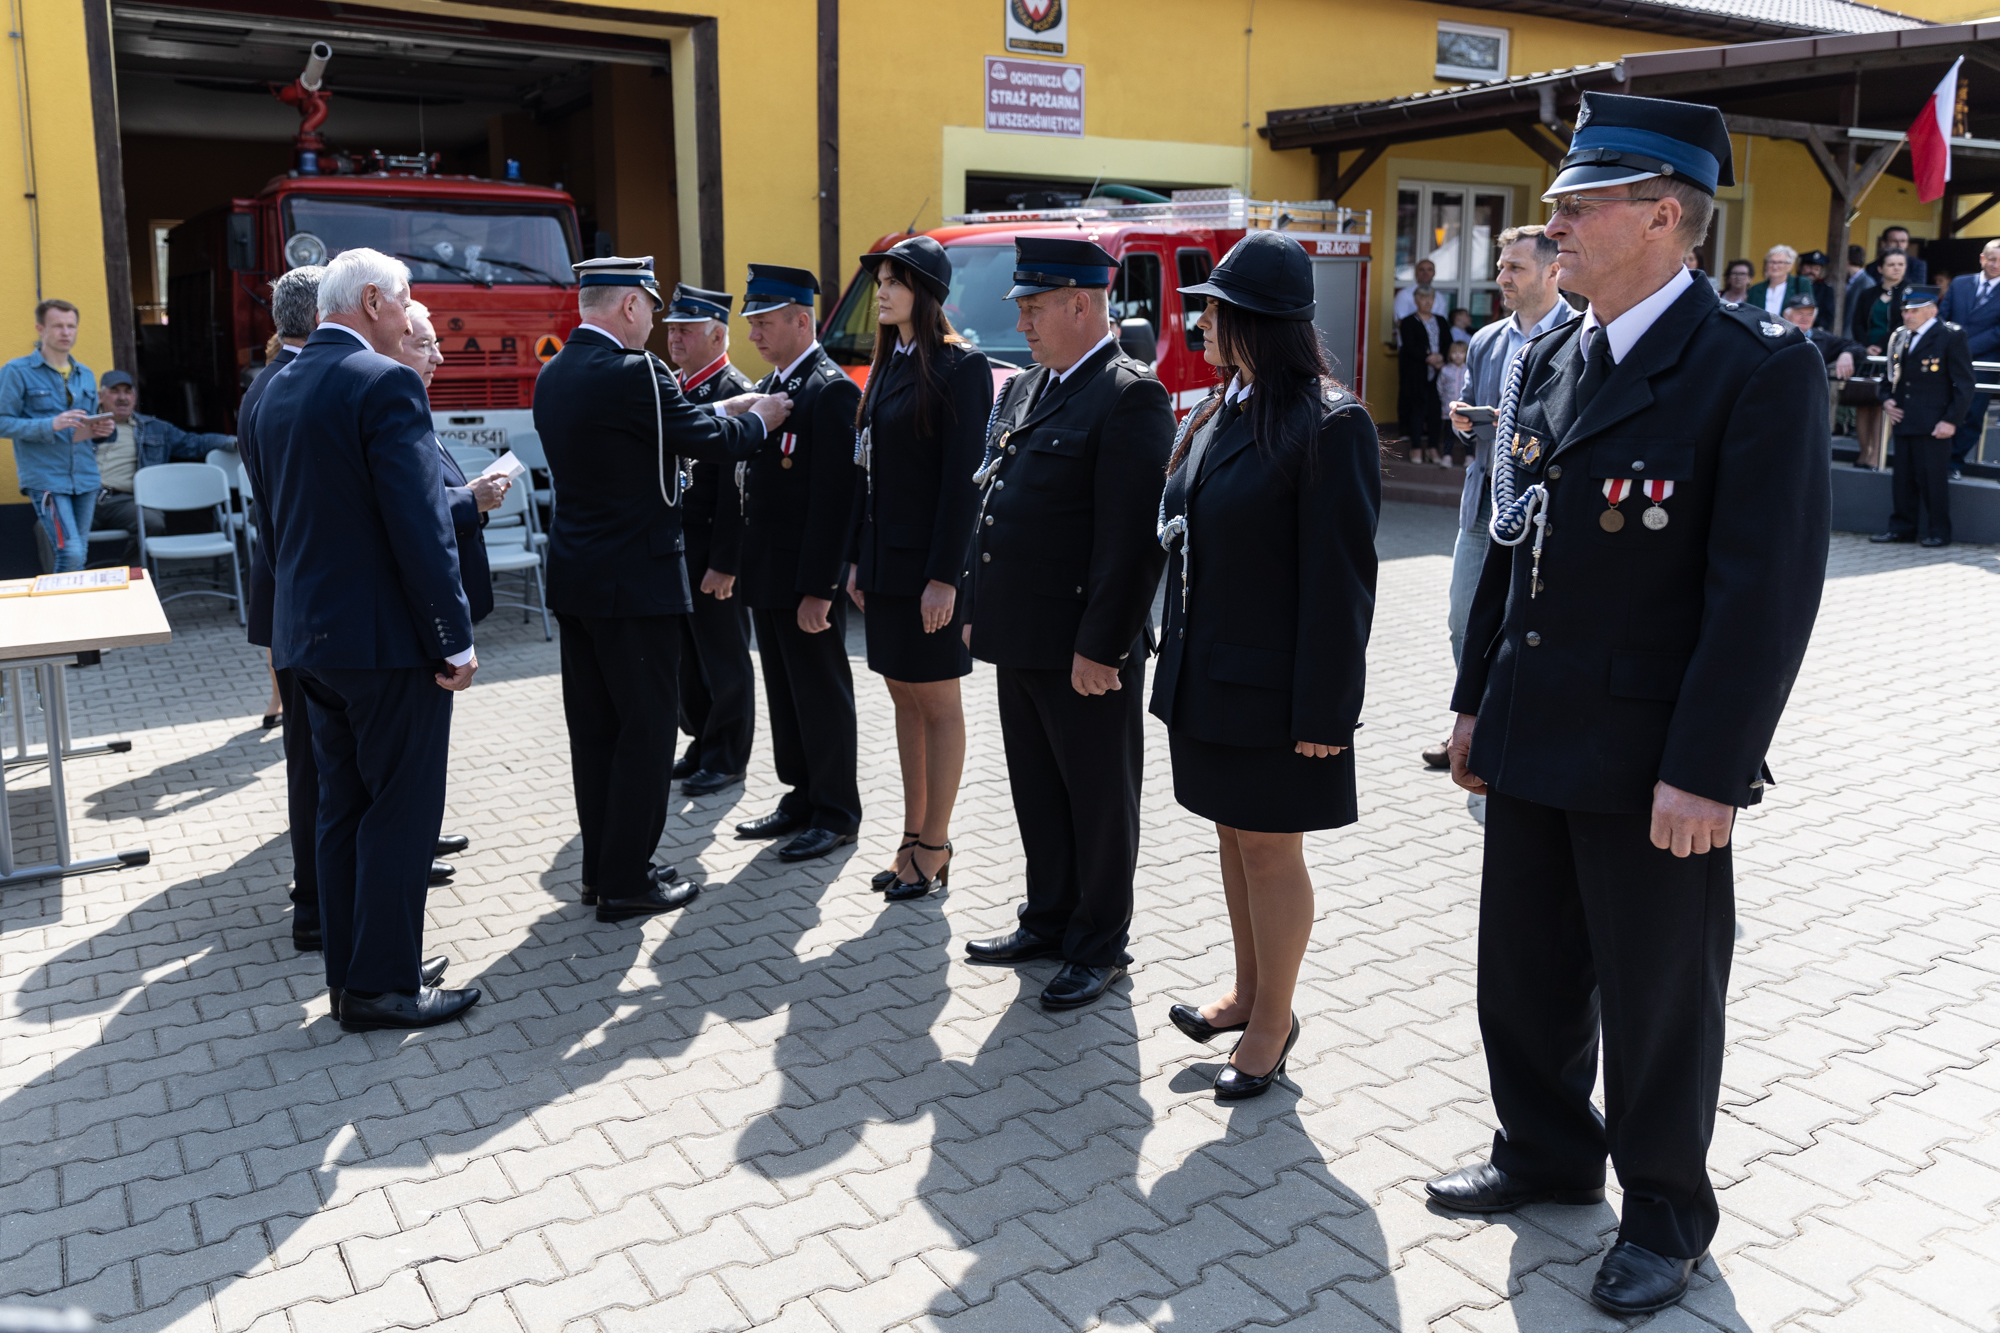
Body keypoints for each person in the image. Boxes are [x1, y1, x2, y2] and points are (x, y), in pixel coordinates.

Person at [1435, 93, 1829, 1318]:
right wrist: (1471, 702)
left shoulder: (1751, 369)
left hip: (1652, 755)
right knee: (1523, 969)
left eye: (1576, 206)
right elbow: (1513, 544)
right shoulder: (1556, 353)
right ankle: (1545, 1149)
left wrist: (1709, 769)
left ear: (1662, 216)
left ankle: (1661, 1212)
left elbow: (1762, 595)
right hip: (1534, 723)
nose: (1551, 226)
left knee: (1658, 998)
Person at [1153, 231, 1380, 1100]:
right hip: (1212, 674)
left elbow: (1342, 582)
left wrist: (1326, 710)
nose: (1201, 324)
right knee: (1232, 833)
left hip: (1278, 689)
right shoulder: (1224, 406)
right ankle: (1249, 992)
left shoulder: (1331, 422)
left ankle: (1274, 1023)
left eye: (1215, 312)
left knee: (1270, 849)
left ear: (1258, 321)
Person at [241, 246, 483, 1034]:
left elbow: (279, 523)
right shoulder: (384, 382)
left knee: (342, 809)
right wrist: (453, 638)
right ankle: (383, 986)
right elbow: (420, 527)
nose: (412, 317)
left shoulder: (275, 386)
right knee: (400, 812)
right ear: (374, 300)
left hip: (308, 639)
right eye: (406, 299)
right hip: (384, 644)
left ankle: (355, 976)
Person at [533, 256, 790, 918]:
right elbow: (704, 437)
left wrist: (728, 405)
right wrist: (762, 417)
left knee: (595, 734)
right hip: (636, 583)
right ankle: (627, 881)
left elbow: (651, 428)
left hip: (576, 580)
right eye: (649, 307)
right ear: (628, 306)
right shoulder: (636, 372)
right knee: (646, 733)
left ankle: (600, 870)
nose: (653, 322)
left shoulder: (556, 371)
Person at [959, 236, 1173, 1011]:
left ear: (1082, 304)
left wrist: (1103, 645)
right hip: (1022, 633)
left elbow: (1132, 540)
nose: (1020, 322)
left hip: (1084, 646)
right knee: (1039, 791)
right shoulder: (1028, 387)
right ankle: (1049, 917)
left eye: (1033, 307)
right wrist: (977, 604)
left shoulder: (1129, 395)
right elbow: (991, 497)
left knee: (1098, 800)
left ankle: (1099, 943)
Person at [844, 236, 992, 901]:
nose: (881, 293)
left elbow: (964, 485)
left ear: (925, 293)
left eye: (893, 282)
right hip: (884, 565)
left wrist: (945, 578)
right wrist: (857, 558)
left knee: (936, 701)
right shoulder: (888, 362)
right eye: (879, 282)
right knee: (903, 696)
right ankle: (911, 836)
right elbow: (866, 470)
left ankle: (936, 842)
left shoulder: (961, 367)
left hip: (928, 572)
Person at [1422, 224, 1576, 774]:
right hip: (1483, 503)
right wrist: (1464, 423)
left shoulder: (1583, 337)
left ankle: (1517, 730)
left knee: (1532, 627)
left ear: (1553, 271)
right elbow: (1470, 419)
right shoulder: (1486, 340)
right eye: (1501, 266)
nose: (1501, 277)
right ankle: (1474, 721)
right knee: (1463, 621)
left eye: (1515, 268)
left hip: (1543, 510)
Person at [731, 264, 866, 863]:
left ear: (801, 320)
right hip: (767, 572)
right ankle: (802, 794)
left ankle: (835, 810)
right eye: (752, 322)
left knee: (819, 692)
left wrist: (820, 588)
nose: (754, 333)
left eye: (765, 322)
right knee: (786, 692)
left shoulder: (829, 390)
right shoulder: (772, 386)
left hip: (803, 579)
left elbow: (837, 502)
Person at [663, 283, 758, 797]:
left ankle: (727, 756)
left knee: (724, 656)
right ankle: (702, 740)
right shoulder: (675, 386)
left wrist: (726, 562)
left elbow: (735, 493)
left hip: (711, 550)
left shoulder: (733, 391)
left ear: (717, 335)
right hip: (678, 548)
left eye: (686, 330)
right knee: (686, 656)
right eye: (671, 329)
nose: (674, 338)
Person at [0, 300, 113, 572]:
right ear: (40, 329)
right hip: (46, 478)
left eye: (71, 326)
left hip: (85, 476)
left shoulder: (85, 374)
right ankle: (60, 601)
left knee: (79, 553)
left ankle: (68, 600)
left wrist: (101, 431)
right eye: (58, 326)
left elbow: (84, 425)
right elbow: (3, 422)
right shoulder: (16, 371)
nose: (66, 332)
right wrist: (50, 424)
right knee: (70, 552)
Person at [91, 370, 234, 564]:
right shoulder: (84, 426)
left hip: (126, 502)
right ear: (100, 396)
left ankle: (131, 576)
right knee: (52, 527)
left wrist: (234, 442)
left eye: (128, 391)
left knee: (152, 522)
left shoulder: (155, 429)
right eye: (115, 391)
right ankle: (65, 580)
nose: (122, 398)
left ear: (135, 397)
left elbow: (194, 443)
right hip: (86, 499)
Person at [1871, 285, 1974, 549]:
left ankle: (1939, 531)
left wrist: (1951, 420)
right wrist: (1886, 399)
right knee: (1902, 480)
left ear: (1932, 310)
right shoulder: (1900, 336)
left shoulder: (1950, 336)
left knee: (1933, 481)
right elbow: (1889, 377)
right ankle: (1902, 529)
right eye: (1905, 310)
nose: (1907, 315)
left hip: (1934, 422)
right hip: (1904, 419)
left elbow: (1964, 384)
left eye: (1914, 311)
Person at [1937, 237, 2000, 475]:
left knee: (1972, 413)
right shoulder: (1960, 283)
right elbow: (1943, 315)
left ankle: (1953, 462)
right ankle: (1935, 458)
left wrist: (1962, 347)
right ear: (1982, 258)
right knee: (1942, 406)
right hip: (1949, 358)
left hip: (1984, 361)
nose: (1995, 265)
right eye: (1991, 259)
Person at [1397, 288, 1449, 463]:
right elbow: (1409, 346)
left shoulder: (1441, 320)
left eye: (1430, 298)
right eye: (1424, 298)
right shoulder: (1408, 321)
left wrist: (1440, 357)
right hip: (1416, 374)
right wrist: (1428, 358)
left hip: (1438, 374)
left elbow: (1447, 343)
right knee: (1417, 409)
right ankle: (1416, 448)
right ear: (1416, 301)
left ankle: (1433, 449)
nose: (1427, 302)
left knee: (1435, 411)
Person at [1782, 292, 1862, 379]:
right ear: (1787, 315)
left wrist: (1847, 354)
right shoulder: (1777, 336)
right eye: (1800, 313)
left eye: (1810, 314)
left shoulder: (1823, 338)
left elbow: (1857, 346)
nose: (1805, 318)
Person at [1744, 245, 1806, 321]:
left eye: (1780, 262)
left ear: (1790, 266)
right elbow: (1749, 315)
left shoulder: (1801, 283)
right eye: (1771, 262)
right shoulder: (1755, 289)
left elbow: (1808, 313)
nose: (1775, 266)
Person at [1436, 339, 1469, 462]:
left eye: (1461, 352)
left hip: (1465, 408)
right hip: (1448, 409)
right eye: (1454, 352)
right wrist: (1444, 400)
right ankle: (1447, 456)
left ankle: (1469, 457)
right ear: (1450, 354)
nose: (1458, 355)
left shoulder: (1469, 370)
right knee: (1448, 434)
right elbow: (1440, 386)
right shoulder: (1445, 370)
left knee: (1467, 434)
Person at [1794, 250, 1838, 329]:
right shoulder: (1792, 284)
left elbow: (1827, 314)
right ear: (1800, 267)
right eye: (1809, 267)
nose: (1812, 272)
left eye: (1816, 269)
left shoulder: (1826, 289)